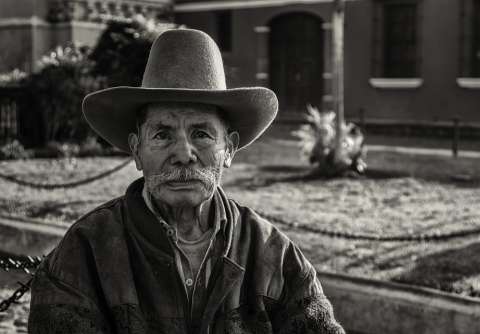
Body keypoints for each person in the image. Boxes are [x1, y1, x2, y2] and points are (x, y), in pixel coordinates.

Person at [28, 29, 345, 334]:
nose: (183, 153)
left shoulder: (274, 255)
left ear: (229, 149)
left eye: (201, 134)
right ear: (137, 150)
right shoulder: (83, 254)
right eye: (163, 134)